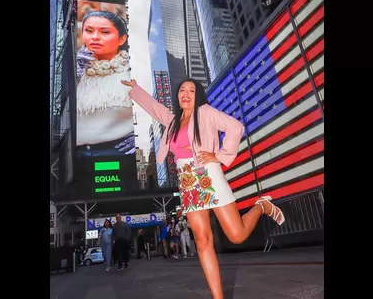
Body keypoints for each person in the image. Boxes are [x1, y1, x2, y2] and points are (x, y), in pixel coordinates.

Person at [122, 78, 286, 299]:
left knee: (237, 235)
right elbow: (156, 108)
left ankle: (262, 206)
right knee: (201, 240)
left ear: (197, 95)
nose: (186, 93)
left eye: (191, 90)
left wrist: (220, 156)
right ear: (178, 97)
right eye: (182, 90)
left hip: (209, 175)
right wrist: (136, 89)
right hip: (188, 182)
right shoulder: (172, 122)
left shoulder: (205, 112)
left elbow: (235, 127)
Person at [75, 11, 135, 158]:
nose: (95, 37)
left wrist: (139, 137)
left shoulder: (132, 72)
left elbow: (153, 112)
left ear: (122, 39)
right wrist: (73, 73)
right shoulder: (72, 67)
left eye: (105, 32)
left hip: (118, 152)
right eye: (89, 31)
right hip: (71, 155)